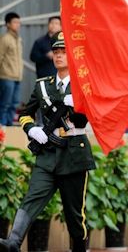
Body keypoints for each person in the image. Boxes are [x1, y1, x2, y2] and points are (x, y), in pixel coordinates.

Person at [0, 32, 95, 252]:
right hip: (47, 153)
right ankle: (13, 242)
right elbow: (25, 113)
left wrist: (78, 106)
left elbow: (86, 120)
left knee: (74, 213)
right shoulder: (43, 85)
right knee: (33, 197)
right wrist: (32, 129)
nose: (59, 56)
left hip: (74, 154)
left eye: (64, 52)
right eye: (56, 52)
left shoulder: (83, 85)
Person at [0, 12, 23, 126]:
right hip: (6, 77)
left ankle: (9, 129)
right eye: (15, 22)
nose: (17, 24)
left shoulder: (18, 39)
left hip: (17, 77)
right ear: (8, 24)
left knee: (14, 104)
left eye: (19, 22)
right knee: (5, 104)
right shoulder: (5, 39)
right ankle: (2, 129)